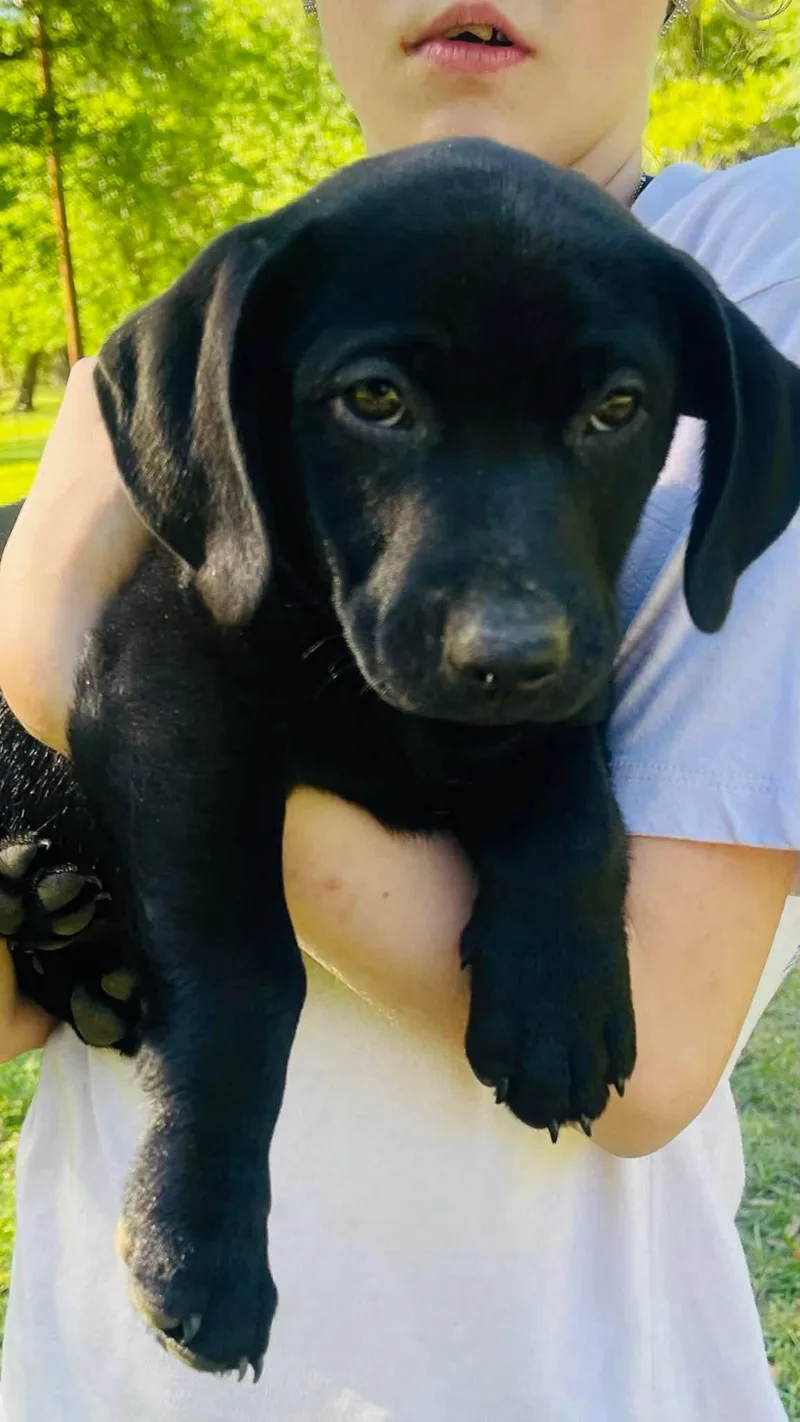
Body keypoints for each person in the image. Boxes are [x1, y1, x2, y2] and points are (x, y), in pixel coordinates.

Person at [0, 0, 799, 1416]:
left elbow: (646, 1054)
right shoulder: (257, 312)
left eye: (612, 412)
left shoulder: (761, 253)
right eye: (376, 398)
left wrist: (54, 642)